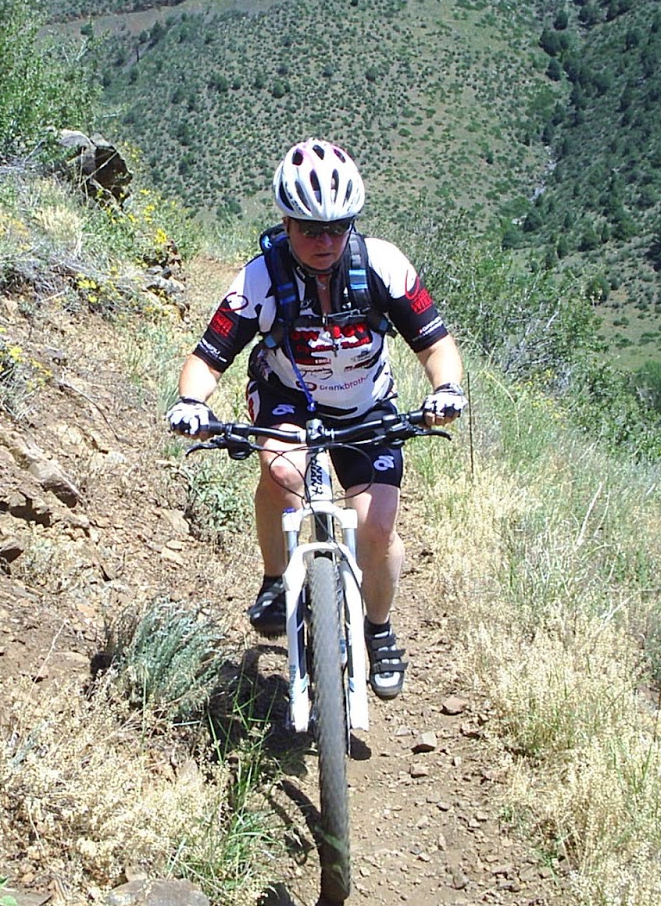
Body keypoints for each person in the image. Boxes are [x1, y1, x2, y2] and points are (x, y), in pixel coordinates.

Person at [166, 138, 466, 700]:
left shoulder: (383, 266)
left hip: (365, 403)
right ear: (286, 223)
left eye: (337, 228)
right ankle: (275, 578)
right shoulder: (259, 279)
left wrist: (445, 389)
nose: (325, 241)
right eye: (310, 229)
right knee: (282, 471)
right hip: (287, 396)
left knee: (377, 526)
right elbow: (207, 358)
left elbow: (435, 345)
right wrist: (192, 403)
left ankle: (378, 629)